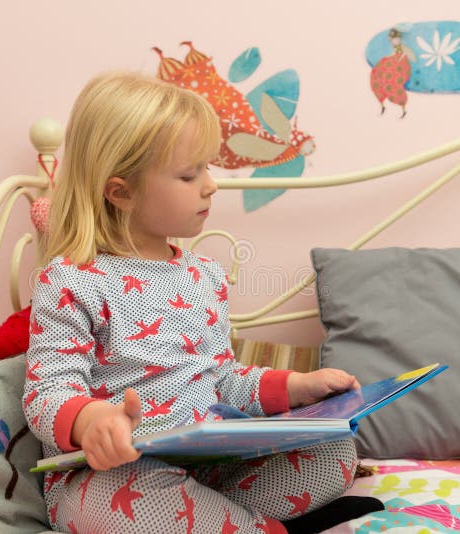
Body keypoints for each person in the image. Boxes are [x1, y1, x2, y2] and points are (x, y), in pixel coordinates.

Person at [24, 71, 380, 534]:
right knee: (118, 505)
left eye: (208, 168)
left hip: (210, 466)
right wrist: (93, 421)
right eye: (190, 174)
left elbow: (224, 380)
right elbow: (45, 392)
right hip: (113, 474)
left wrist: (298, 386)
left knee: (335, 454)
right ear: (121, 191)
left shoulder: (203, 275)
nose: (211, 185)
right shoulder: (70, 280)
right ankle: (258, 527)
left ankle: (221, 520)